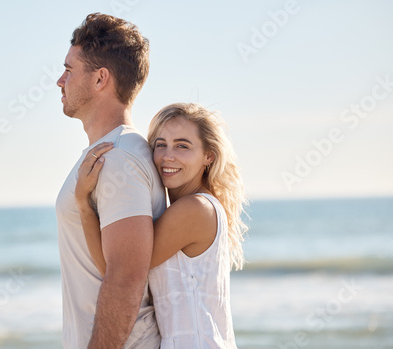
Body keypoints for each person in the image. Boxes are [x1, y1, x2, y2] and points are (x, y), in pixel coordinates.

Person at [76, 103, 247, 348]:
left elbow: (116, 272)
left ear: (208, 156)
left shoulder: (195, 210)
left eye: (182, 146)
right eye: (160, 144)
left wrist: (83, 205)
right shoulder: (197, 208)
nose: (168, 156)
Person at [55, 13, 165, 348]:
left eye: (69, 70)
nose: (60, 80)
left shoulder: (118, 160)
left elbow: (125, 277)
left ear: (101, 79)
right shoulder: (112, 152)